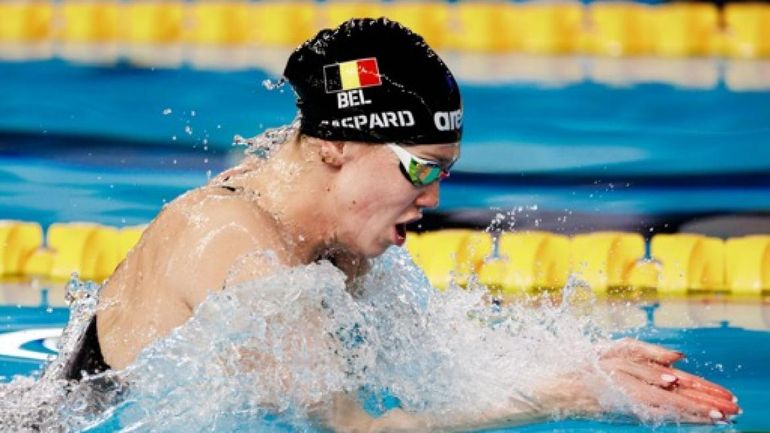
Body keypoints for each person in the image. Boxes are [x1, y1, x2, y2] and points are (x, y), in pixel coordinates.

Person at [62, 17, 739, 432]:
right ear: (337, 146)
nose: (436, 198)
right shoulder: (230, 238)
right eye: (422, 168)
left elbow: (430, 375)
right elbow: (355, 429)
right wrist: (571, 395)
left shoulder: (332, 237)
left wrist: (579, 363)